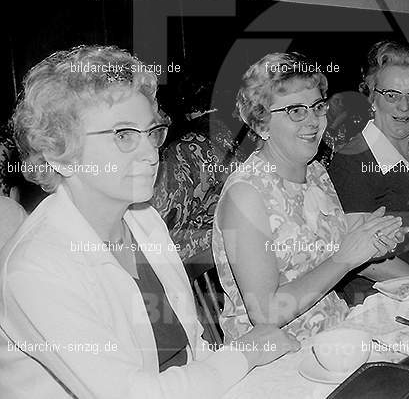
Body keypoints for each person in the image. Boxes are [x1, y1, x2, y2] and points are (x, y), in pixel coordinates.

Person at [0, 46, 298, 399]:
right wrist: (247, 351)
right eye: (123, 135)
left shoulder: (144, 220)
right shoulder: (37, 268)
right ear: (59, 154)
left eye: (151, 131)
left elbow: (192, 349)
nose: (149, 151)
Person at [213, 52, 407, 340]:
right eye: (295, 111)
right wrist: (346, 258)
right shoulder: (246, 194)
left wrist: (369, 245)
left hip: (335, 333)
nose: (313, 121)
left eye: (317, 107)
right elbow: (265, 313)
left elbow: (327, 259)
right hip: (276, 356)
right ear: (261, 123)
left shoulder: (315, 172)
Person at [328, 41, 409, 306]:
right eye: (392, 95)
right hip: (379, 300)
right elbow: (362, 261)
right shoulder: (352, 160)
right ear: (372, 98)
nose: (404, 106)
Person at [152, 80, 248, 262]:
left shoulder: (182, 150)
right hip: (235, 249)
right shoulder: (224, 132)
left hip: (206, 262)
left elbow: (163, 231)